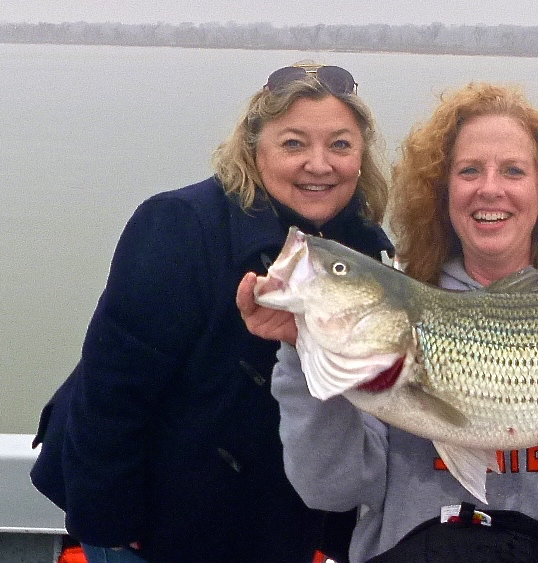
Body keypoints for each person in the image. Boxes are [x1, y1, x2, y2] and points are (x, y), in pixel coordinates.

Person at [237, 82, 538, 563]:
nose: (490, 188)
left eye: (514, 171)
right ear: (441, 192)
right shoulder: (394, 314)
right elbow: (329, 490)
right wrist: (301, 350)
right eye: (469, 171)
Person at [29, 62, 394, 563]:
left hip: (279, 516)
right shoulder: (181, 225)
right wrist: (112, 525)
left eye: (339, 144)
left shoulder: (368, 251)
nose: (318, 163)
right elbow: (112, 391)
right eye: (293, 144)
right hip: (156, 514)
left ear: (360, 155)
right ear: (253, 147)